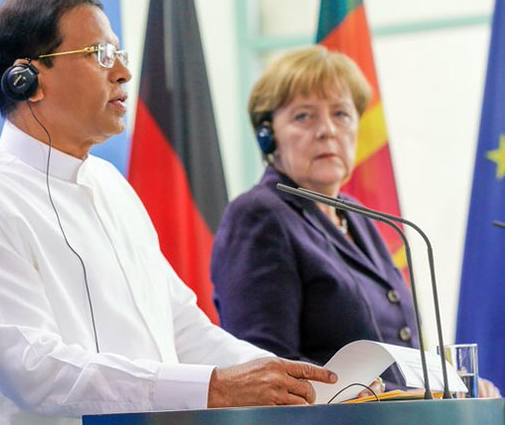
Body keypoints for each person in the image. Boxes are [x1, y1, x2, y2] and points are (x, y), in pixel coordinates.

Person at [0, 0, 338, 425]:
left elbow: (184, 330)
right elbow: (33, 369)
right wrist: (213, 387)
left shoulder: (111, 186)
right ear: (27, 79)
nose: (123, 72)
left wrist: (307, 384)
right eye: (100, 54)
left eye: (118, 53)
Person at [211, 46, 502, 397]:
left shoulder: (357, 216)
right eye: (304, 116)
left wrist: (451, 386)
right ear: (267, 135)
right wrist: (354, 391)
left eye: (341, 114)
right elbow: (263, 361)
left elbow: (399, 349)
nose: (327, 131)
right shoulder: (259, 214)